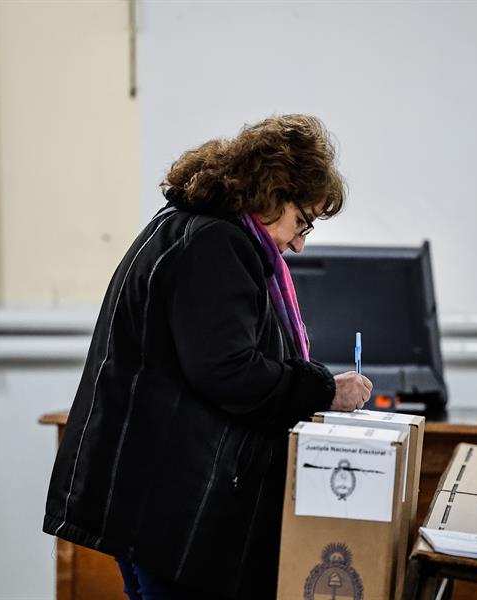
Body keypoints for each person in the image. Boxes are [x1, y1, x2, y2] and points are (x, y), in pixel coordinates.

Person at [43, 115, 373, 599]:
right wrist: (324, 389)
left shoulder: (184, 226)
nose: (299, 243)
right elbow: (229, 371)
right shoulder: (216, 245)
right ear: (273, 191)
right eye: (302, 221)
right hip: (169, 507)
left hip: (147, 498)